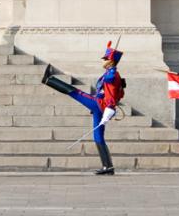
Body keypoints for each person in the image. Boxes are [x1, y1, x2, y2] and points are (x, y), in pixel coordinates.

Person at [42, 42, 125, 175]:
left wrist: (109, 107)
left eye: (106, 59)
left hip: (100, 104)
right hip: (101, 107)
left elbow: (112, 92)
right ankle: (108, 167)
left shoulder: (112, 74)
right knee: (98, 136)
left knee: (76, 93)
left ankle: (48, 80)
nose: (104, 61)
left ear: (111, 61)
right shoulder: (110, 73)